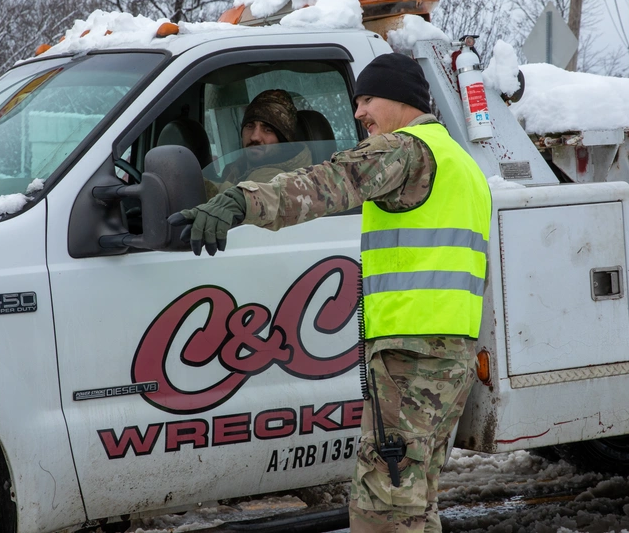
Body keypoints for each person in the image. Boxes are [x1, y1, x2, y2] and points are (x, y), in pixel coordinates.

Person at [170, 53, 492, 533]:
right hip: (449, 353)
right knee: (414, 498)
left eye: (367, 99)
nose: (358, 112)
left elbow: (327, 182)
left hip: (412, 355)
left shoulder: (404, 150)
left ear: (401, 100)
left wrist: (242, 200)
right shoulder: (459, 162)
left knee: (382, 508)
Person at [205, 89, 312, 197]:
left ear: (283, 139)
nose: (254, 137)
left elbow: (233, 203)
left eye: (268, 129)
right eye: (250, 126)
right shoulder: (236, 169)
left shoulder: (282, 178)